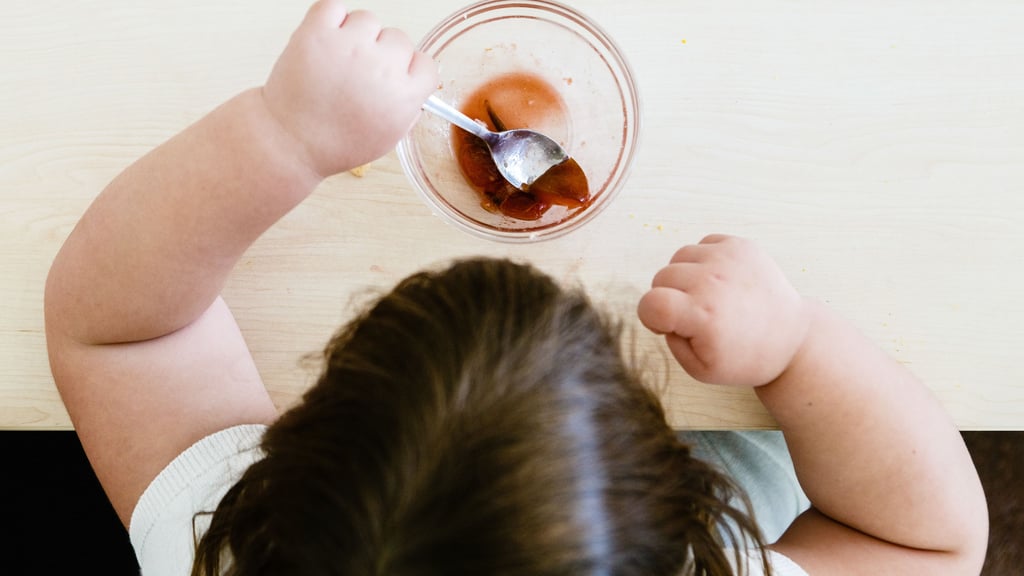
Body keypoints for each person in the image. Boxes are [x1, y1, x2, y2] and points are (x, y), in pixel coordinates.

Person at [44, 2, 988, 575]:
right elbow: (931, 547)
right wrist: (796, 350)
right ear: (681, 512)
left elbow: (117, 332)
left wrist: (281, 139)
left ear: (274, 471)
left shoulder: (227, 550)